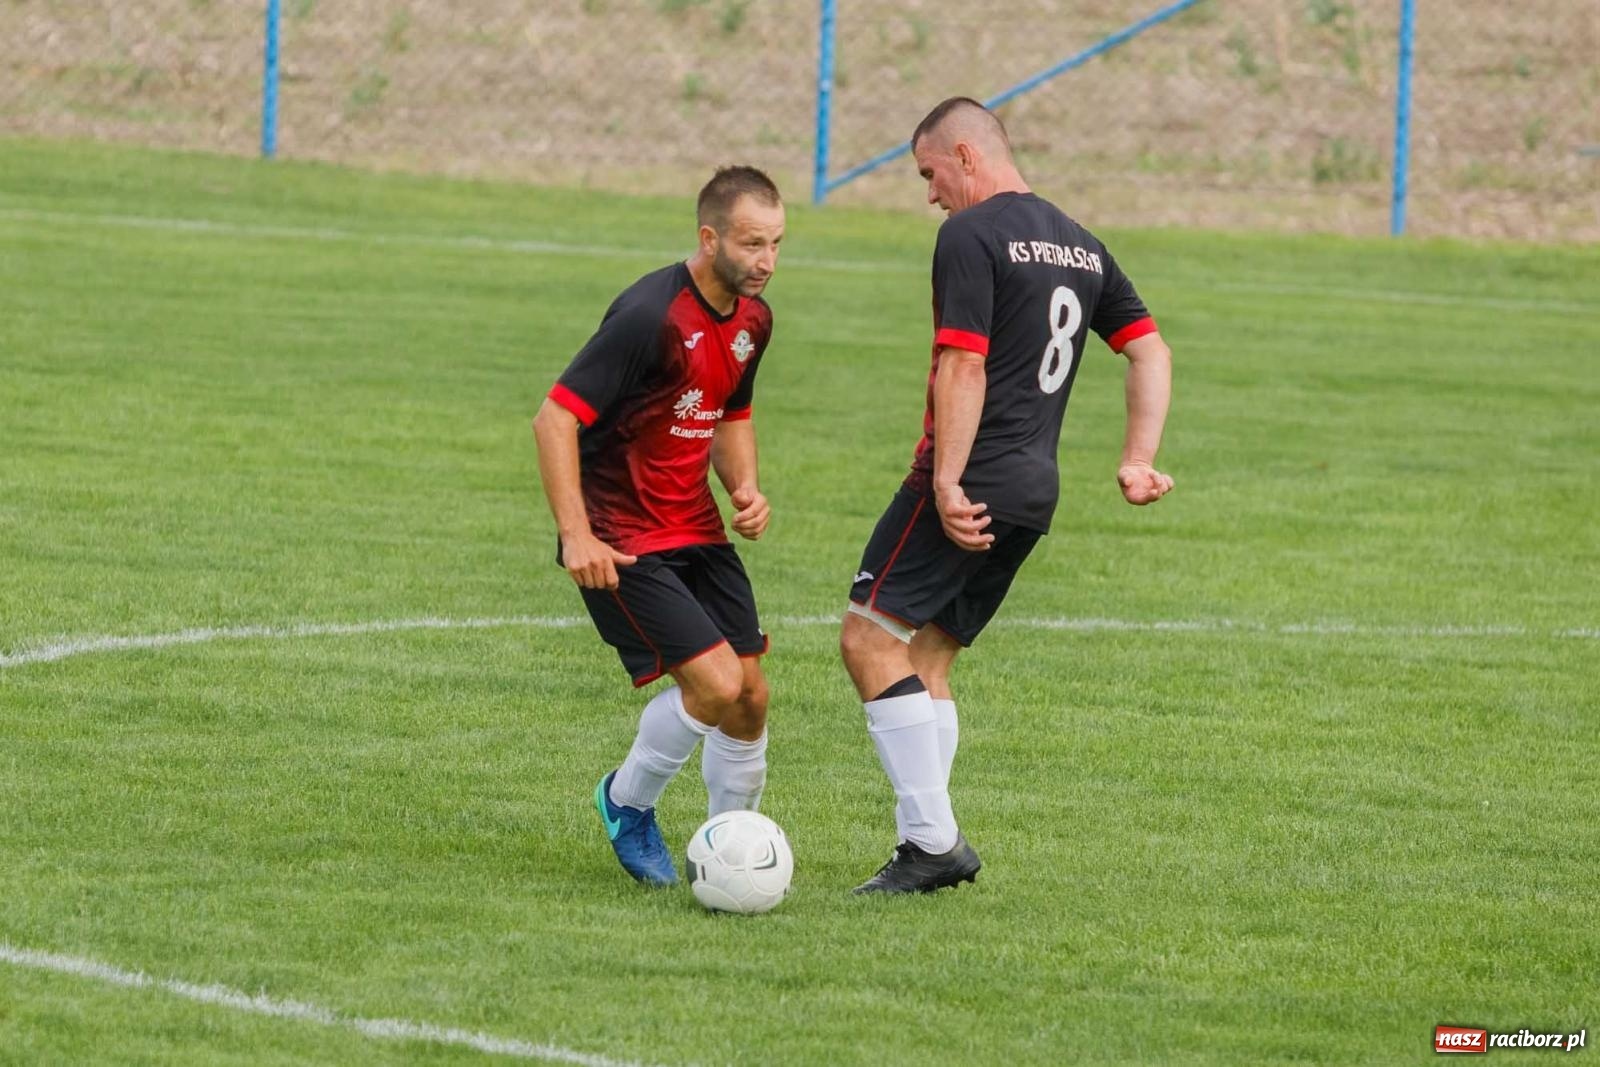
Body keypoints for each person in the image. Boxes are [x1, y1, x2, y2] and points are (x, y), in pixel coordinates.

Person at [840, 98, 1175, 895]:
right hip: (1034, 488)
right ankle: (923, 845)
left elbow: (964, 363)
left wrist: (948, 479)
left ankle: (932, 843)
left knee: (867, 641)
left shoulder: (970, 234)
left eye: (929, 175)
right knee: (929, 658)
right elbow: (1150, 348)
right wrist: (1138, 458)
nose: (930, 195)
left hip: (969, 479)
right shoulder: (1083, 246)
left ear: (964, 154)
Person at [532, 166, 784, 886]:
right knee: (713, 682)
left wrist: (745, 488)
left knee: (752, 696)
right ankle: (626, 803)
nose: (766, 261)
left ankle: (731, 842)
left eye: (776, 244)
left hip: (698, 529)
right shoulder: (651, 316)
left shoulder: (754, 321)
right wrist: (576, 534)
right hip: (622, 534)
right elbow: (554, 418)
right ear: (709, 239)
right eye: (752, 243)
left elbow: (731, 411)